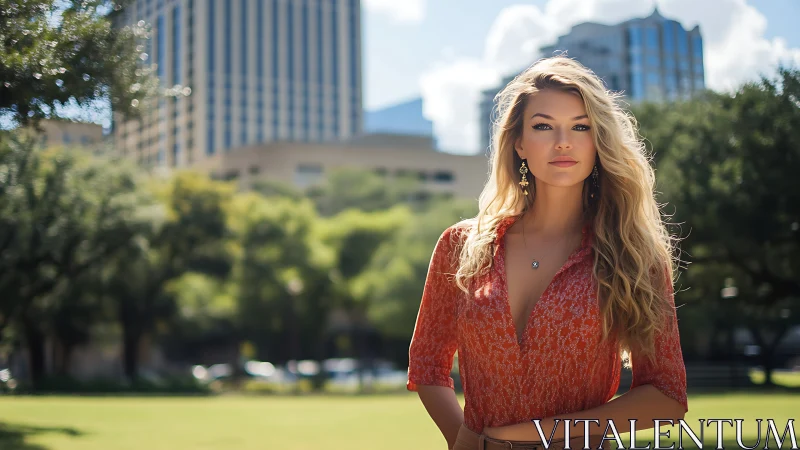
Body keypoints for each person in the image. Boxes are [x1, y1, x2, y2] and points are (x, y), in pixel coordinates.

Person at [406, 56, 688, 450]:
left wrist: (528, 436)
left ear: (598, 141)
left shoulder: (633, 256)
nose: (563, 142)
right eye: (543, 126)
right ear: (519, 142)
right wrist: (466, 442)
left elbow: (666, 395)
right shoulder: (461, 245)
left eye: (580, 126)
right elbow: (427, 366)